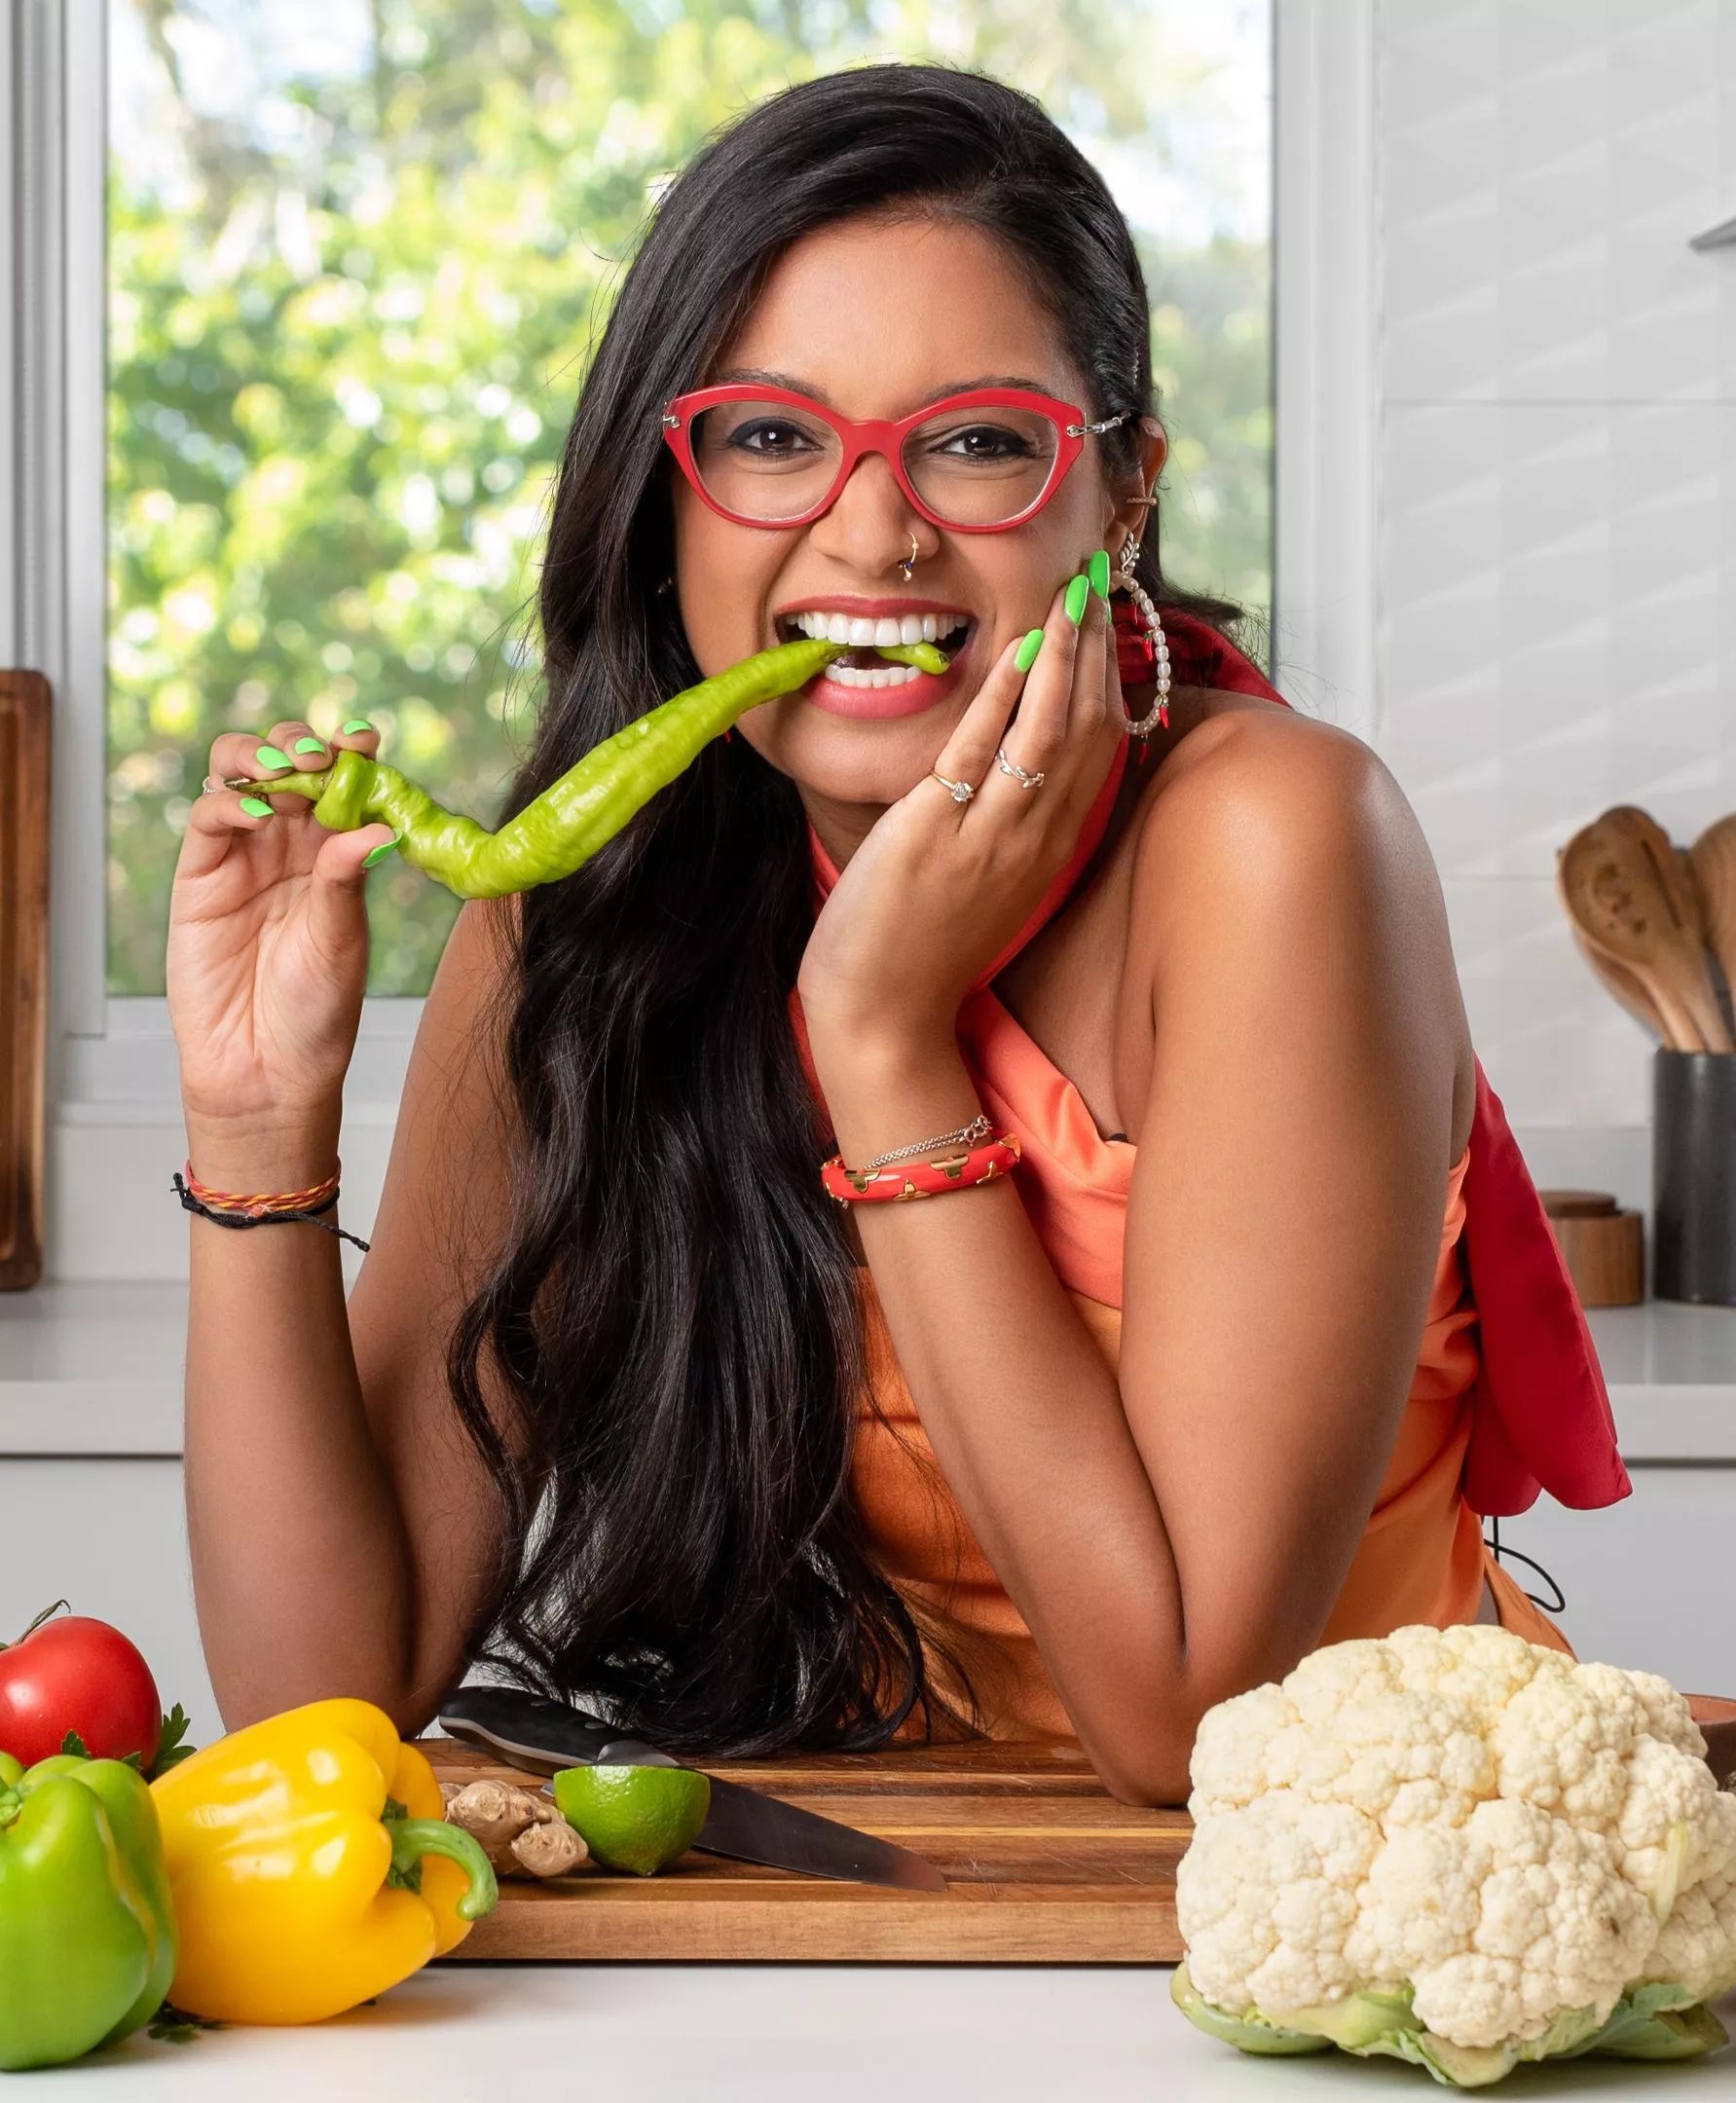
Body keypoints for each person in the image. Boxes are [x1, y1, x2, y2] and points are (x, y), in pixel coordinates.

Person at [166, 63, 1624, 1806]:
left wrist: (881, 1036)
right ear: (673, 494)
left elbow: (1188, 1722)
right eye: (775, 438)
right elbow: (319, 1705)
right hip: (891, 1897)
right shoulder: (600, 895)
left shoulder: (1274, 844)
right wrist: (256, 1133)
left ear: (1123, 490)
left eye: (979, 442)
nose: (872, 529)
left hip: (1344, 1912)